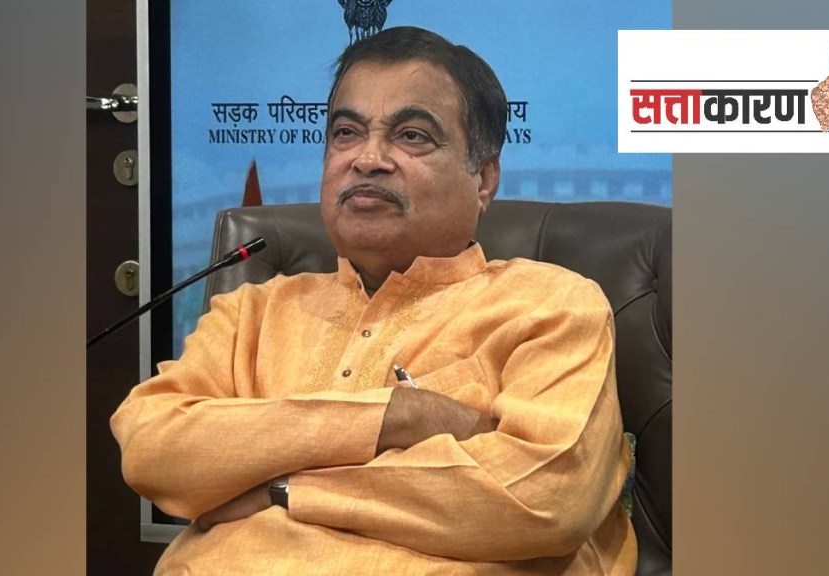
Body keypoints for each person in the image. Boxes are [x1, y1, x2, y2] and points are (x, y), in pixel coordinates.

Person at [111, 26, 636, 575]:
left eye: (412, 136)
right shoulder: (255, 311)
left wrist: (282, 489)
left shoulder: (551, 306)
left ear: (483, 179)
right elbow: (152, 447)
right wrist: (396, 417)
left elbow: (544, 495)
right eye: (346, 133)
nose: (368, 158)